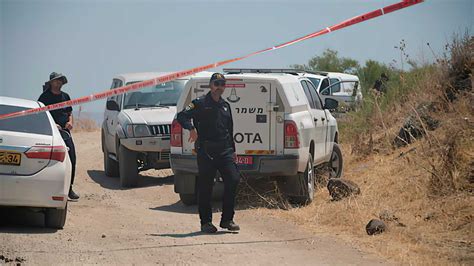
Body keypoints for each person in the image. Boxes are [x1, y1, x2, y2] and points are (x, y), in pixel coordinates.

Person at [177, 73, 240, 233]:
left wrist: (233, 150)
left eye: (222, 84)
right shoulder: (199, 103)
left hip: (225, 151)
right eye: (216, 83)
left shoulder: (226, 105)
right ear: (211, 85)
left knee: (233, 180)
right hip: (206, 152)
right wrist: (191, 129)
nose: (220, 87)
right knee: (205, 187)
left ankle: (227, 220)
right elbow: (182, 116)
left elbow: (229, 129)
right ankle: (206, 222)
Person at [38, 72, 80, 200]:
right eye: (56, 81)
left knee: (72, 158)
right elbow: (40, 115)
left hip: (65, 133)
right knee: (49, 161)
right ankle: (45, 190)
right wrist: (53, 124)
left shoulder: (65, 96)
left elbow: (70, 112)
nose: (59, 83)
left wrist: (70, 122)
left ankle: (69, 188)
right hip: (50, 134)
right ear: (51, 83)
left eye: (60, 81)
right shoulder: (43, 98)